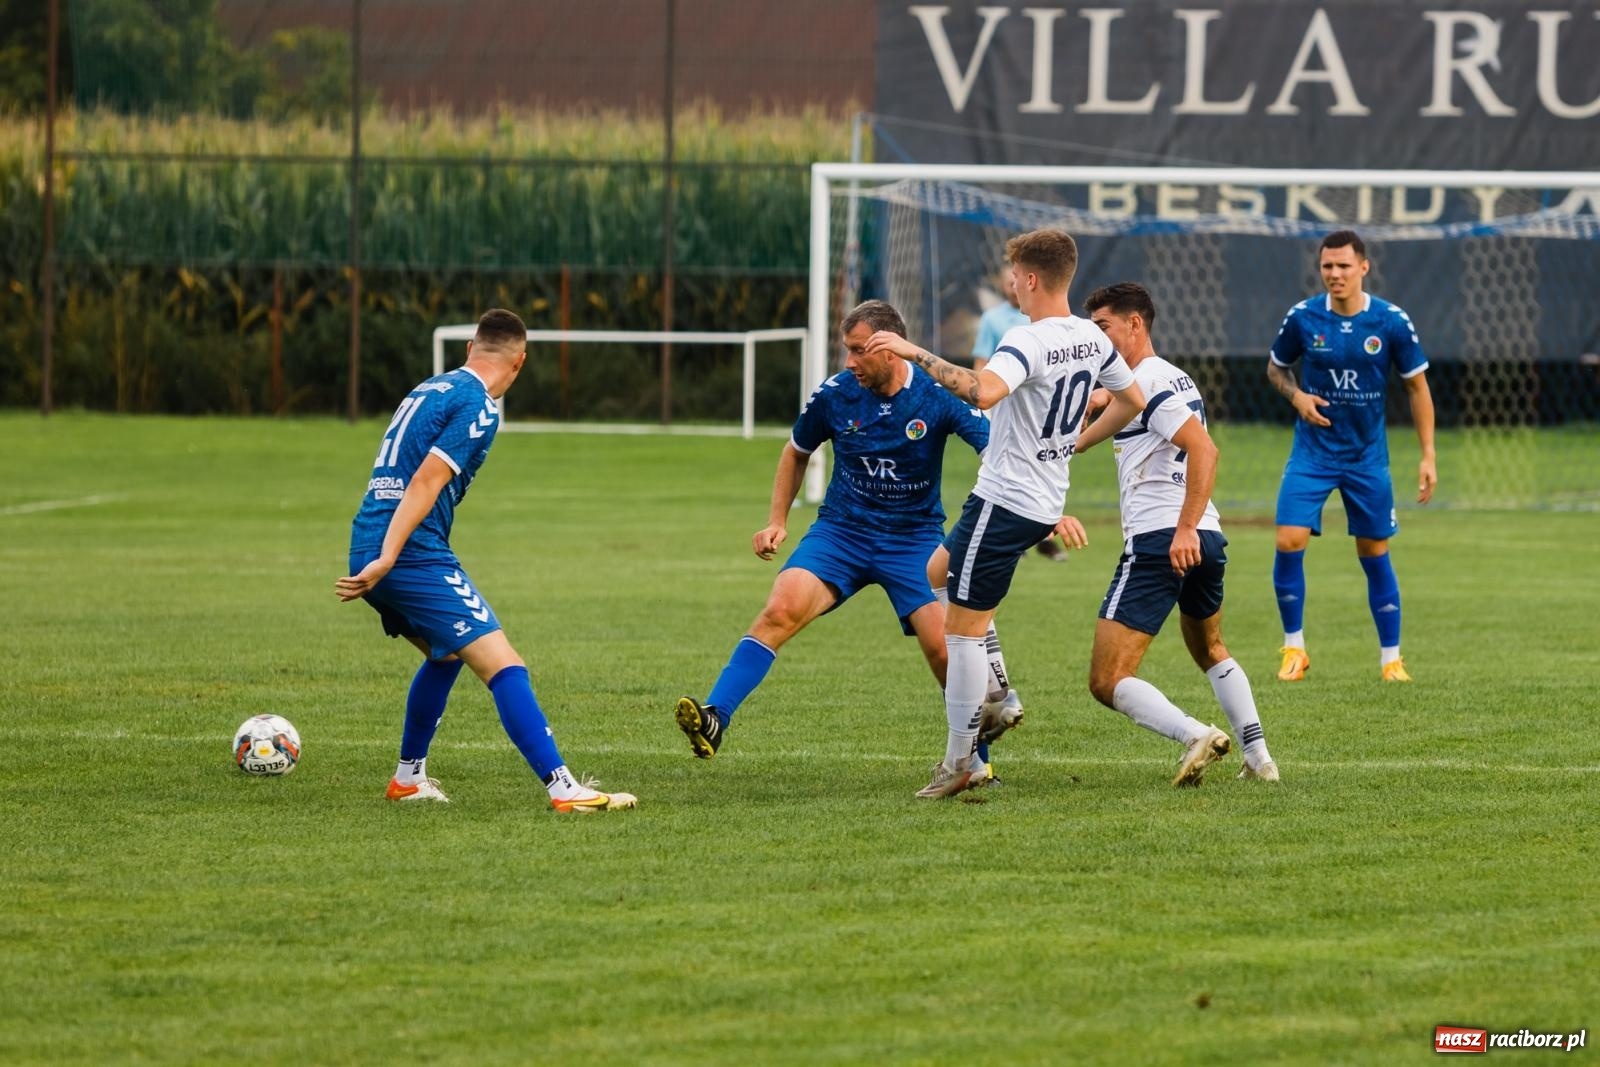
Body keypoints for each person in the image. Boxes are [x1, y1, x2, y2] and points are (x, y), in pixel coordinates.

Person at [674, 299, 1024, 779]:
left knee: (944, 649)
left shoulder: (936, 396)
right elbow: (796, 451)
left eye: (859, 351)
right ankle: (715, 717)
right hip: (842, 532)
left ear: (889, 350)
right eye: (847, 351)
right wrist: (777, 520)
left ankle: (974, 762)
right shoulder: (834, 394)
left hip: (913, 540)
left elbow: (994, 449)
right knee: (779, 609)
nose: (850, 362)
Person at [866, 229, 1148, 798]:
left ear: (1032, 278)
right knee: (935, 574)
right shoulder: (1091, 340)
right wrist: (1075, 443)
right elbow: (1132, 400)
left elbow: (982, 392)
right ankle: (996, 695)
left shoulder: (1028, 339)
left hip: (1006, 500)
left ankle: (961, 760)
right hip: (1033, 498)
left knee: (961, 633)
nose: (1009, 283)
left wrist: (912, 352)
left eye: (1012, 273)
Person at [337, 308, 636, 813]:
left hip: (367, 538)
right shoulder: (479, 405)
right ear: (519, 363)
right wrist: (391, 556)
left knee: (446, 652)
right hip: (409, 552)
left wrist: (378, 551)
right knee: (505, 666)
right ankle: (564, 788)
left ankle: (409, 779)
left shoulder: (429, 388)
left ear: (468, 349)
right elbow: (426, 480)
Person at [1075, 282, 1278, 785]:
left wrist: (1182, 528)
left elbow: (1204, 449)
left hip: (1164, 538)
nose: (1097, 340)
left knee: (1107, 679)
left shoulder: (1151, 380)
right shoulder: (1163, 378)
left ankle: (1195, 735)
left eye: (1103, 328)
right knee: (1209, 648)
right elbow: (1128, 407)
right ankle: (1260, 759)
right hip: (1205, 537)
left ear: (1135, 324)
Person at [1266, 230, 1437, 683]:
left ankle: (1391, 660)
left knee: (1373, 551)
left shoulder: (1390, 321)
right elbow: (1275, 367)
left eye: (1344, 266)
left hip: (1366, 459)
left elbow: (1417, 387)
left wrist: (1427, 455)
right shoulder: (1303, 318)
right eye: (1328, 266)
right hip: (1312, 453)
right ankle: (1294, 650)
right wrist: (1297, 397)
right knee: (1288, 540)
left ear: (1364, 267)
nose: (1335, 274)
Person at [973, 266, 1071, 564]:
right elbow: (981, 365)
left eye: (1016, 279)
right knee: (1005, 472)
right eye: (1007, 281)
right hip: (1003, 409)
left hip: (1039, 415)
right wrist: (983, 405)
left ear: (1031, 281)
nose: (1012, 285)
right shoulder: (993, 319)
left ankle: (1041, 537)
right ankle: (1021, 540)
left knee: (1043, 469)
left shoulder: (1045, 320)